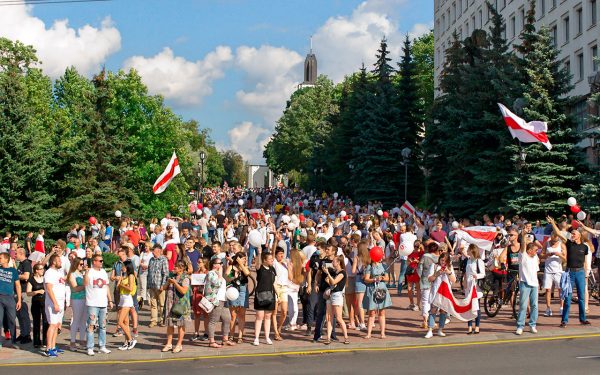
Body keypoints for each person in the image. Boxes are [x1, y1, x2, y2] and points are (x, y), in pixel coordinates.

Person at [548, 216, 591, 327]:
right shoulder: (568, 243)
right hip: (569, 273)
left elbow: (585, 262)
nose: (572, 235)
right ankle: (564, 320)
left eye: (574, 234)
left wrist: (586, 273)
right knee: (567, 297)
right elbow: (558, 233)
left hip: (580, 272)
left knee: (581, 297)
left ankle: (582, 319)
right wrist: (553, 223)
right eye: (572, 234)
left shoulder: (584, 247)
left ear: (579, 236)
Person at [85, 254, 113, 356]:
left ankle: (102, 346)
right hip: (92, 303)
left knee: (103, 326)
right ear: (94, 262)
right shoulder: (90, 272)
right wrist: (86, 273)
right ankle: (90, 347)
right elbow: (85, 284)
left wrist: (110, 300)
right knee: (91, 325)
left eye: (102, 261)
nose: (101, 262)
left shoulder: (104, 272)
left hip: (103, 303)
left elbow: (106, 287)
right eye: (100, 261)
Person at [161, 260, 191, 353]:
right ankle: (169, 344)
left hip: (180, 305)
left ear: (181, 269)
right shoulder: (172, 276)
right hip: (170, 304)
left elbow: (183, 291)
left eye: (175, 267)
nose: (173, 269)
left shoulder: (185, 278)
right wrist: (168, 282)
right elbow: (162, 288)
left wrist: (175, 283)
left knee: (180, 325)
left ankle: (179, 344)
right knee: (170, 324)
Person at [425, 251, 456, 338]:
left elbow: (454, 280)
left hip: (445, 293)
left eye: (445, 261)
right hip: (436, 291)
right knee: (433, 310)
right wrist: (437, 273)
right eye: (442, 260)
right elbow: (430, 279)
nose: (443, 262)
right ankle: (430, 330)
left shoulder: (450, 267)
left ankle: (440, 329)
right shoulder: (434, 266)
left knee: (443, 311)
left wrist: (448, 272)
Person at [204, 257, 234, 348]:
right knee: (213, 320)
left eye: (221, 263)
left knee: (227, 318)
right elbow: (216, 283)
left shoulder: (218, 273)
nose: (221, 264)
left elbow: (225, 283)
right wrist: (220, 275)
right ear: (214, 265)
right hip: (216, 300)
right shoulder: (211, 273)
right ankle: (211, 341)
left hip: (223, 299)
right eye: (220, 263)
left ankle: (225, 339)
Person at [515, 228, 540, 335]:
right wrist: (523, 235)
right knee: (523, 305)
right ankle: (520, 326)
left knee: (535, 305)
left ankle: (532, 325)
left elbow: (536, 271)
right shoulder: (523, 256)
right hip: (525, 283)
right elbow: (523, 246)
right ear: (529, 250)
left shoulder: (535, 257)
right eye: (535, 250)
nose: (536, 251)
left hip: (534, 284)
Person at [362, 248, 392, 339]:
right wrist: (374, 279)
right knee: (372, 313)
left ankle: (382, 333)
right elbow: (366, 279)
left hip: (382, 289)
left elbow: (387, 278)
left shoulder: (384, 265)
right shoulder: (369, 266)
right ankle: (369, 333)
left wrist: (382, 278)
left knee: (382, 312)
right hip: (372, 289)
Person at [322, 255, 350, 344]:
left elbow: (334, 282)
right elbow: (332, 284)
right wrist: (328, 280)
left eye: (334, 261)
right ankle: (328, 338)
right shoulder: (336, 272)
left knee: (338, 318)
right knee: (329, 317)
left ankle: (346, 337)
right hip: (331, 294)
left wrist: (328, 274)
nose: (332, 263)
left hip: (337, 296)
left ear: (338, 262)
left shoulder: (342, 273)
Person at [44, 254, 66, 357]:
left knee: (57, 325)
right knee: (52, 325)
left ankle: (53, 346)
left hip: (60, 302)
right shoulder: (49, 273)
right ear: (54, 262)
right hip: (53, 303)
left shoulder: (59, 272)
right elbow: (49, 289)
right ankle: (48, 348)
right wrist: (55, 303)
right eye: (59, 261)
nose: (61, 263)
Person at [226, 252, 251, 344]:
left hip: (243, 290)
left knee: (242, 314)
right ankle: (231, 335)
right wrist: (233, 276)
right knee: (233, 315)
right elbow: (226, 277)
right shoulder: (231, 267)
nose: (245, 260)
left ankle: (240, 336)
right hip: (233, 291)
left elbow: (247, 273)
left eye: (245, 258)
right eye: (243, 258)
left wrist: (241, 264)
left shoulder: (245, 267)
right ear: (238, 258)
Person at [253, 252, 277, 346]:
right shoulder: (260, 268)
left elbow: (274, 282)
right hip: (260, 295)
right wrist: (259, 252)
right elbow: (257, 263)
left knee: (268, 317)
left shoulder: (272, 269)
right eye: (270, 259)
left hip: (270, 295)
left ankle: (267, 337)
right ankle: (256, 338)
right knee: (259, 317)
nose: (272, 260)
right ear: (264, 260)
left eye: (272, 258)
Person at [542, 233, 566, 317]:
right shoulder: (546, 243)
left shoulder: (561, 245)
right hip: (548, 270)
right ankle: (548, 308)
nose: (554, 241)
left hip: (558, 271)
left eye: (556, 239)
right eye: (552, 239)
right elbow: (541, 255)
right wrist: (548, 254)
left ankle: (562, 308)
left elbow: (565, 258)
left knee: (560, 290)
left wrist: (559, 254)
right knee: (548, 290)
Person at [0, 252, 21, 348]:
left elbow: (17, 285)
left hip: (9, 297)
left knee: (12, 320)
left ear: (6, 259)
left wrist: (19, 300)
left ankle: (13, 341)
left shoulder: (13, 271)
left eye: (1, 258)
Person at [418, 242, 441, 329]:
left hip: (425, 281)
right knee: (434, 302)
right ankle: (432, 320)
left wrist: (421, 277)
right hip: (436, 282)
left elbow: (419, 268)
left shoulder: (425, 256)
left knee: (425, 301)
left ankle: (425, 321)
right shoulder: (439, 258)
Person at [116, 261, 138, 350]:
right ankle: (126, 342)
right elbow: (117, 287)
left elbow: (130, 288)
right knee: (125, 322)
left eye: (123, 266)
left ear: (127, 266)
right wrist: (121, 277)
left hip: (127, 299)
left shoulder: (131, 276)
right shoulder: (124, 275)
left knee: (120, 322)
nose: (122, 267)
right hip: (122, 298)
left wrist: (122, 285)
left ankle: (130, 339)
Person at [66, 258, 86, 350]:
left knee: (83, 321)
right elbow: (75, 288)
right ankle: (72, 342)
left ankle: (82, 340)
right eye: (80, 264)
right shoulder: (72, 275)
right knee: (76, 320)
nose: (82, 266)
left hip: (85, 298)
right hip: (76, 299)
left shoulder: (82, 274)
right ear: (76, 264)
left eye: (83, 264)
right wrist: (85, 285)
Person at [465, 245, 485, 334]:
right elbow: (466, 272)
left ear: (472, 251)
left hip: (476, 286)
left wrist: (476, 276)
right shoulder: (468, 260)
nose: (467, 251)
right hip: (468, 286)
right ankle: (469, 326)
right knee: (468, 307)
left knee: (476, 307)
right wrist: (464, 282)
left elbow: (483, 274)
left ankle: (477, 326)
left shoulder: (479, 261)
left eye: (468, 250)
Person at [147, 244, 169, 327]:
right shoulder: (151, 260)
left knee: (162, 304)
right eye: (152, 250)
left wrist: (163, 285)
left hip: (160, 286)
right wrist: (148, 285)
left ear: (159, 251)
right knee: (153, 304)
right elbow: (149, 273)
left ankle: (162, 320)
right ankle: (153, 320)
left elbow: (165, 274)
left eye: (154, 250)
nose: (152, 252)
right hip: (152, 286)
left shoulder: (163, 260)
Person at [27, 264, 48, 348]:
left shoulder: (45, 279)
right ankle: (36, 341)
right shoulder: (31, 280)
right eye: (41, 269)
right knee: (36, 322)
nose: (43, 270)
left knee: (46, 322)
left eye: (43, 269)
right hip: (35, 303)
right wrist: (37, 291)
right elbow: (28, 293)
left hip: (45, 302)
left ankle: (45, 341)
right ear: (36, 270)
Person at [352, 240, 370, 331]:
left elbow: (353, 271)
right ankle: (370, 322)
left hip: (359, 280)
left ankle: (362, 322)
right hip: (368, 280)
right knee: (367, 302)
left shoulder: (357, 258)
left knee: (360, 303)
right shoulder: (368, 258)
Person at [15, 247, 32, 344]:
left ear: (21, 253)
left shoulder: (26, 263)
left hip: (24, 292)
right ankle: (23, 333)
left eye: (16, 253)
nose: (15, 255)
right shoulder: (21, 264)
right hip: (19, 292)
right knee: (19, 314)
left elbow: (26, 276)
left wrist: (15, 275)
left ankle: (27, 335)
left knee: (24, 314)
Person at [191, 258, 210, 342]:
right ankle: (196, 333)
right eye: (197, 262)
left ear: (204, 263)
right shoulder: (196, 273)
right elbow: (193, 285)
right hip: (197, 294)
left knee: (206, 315)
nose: (198, 263)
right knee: (197, 315)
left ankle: (206, 333)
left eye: (200, 262)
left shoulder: (208, 272)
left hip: (205, 295)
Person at [405, 241, 423, 311]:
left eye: (417, 246)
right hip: (410, 271)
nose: (415, 248)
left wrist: (417, 261)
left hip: (417, 271)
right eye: (414, 246)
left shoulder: (421, 253)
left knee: (418, 288)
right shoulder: (410, 252)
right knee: (409, 289)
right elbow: (407, 262)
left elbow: (423, 262)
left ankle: (418, 305)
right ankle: (411, 303)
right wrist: (409, 261)